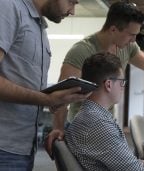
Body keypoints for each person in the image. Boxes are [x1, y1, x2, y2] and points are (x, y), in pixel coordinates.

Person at [45, 1, 144, 155]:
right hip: (86, 128)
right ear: (113, 29)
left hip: (107, 123)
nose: (134, 40)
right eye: (131, 35)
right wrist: (58, 128)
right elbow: (62, 94)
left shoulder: (127, 46)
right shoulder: (82, 51)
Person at [0, 0, 90, 170]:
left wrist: (55, 99)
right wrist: (46, 99)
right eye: (72, 2)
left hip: (23, 148)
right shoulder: (8, 7)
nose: (73, 11)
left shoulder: (38, 26)